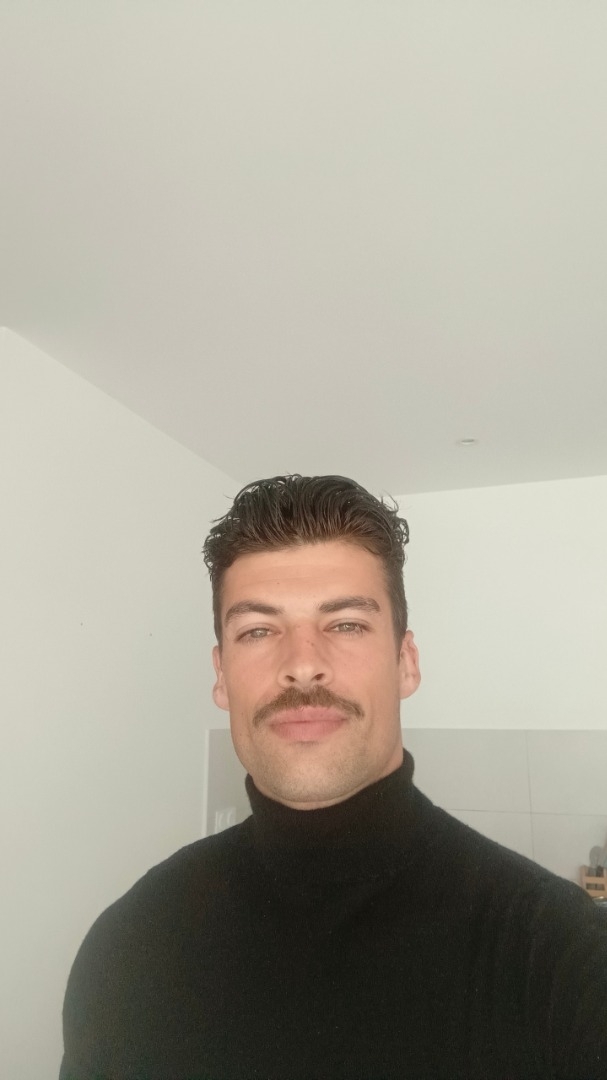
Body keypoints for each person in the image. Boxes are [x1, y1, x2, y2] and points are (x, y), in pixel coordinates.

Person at [59, 474, 607, 1080]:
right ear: (221, 676)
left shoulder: (561, 955)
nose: (302, 665)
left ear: (406, 663)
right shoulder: (127, 947)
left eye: (345, 624)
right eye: (258, 630)